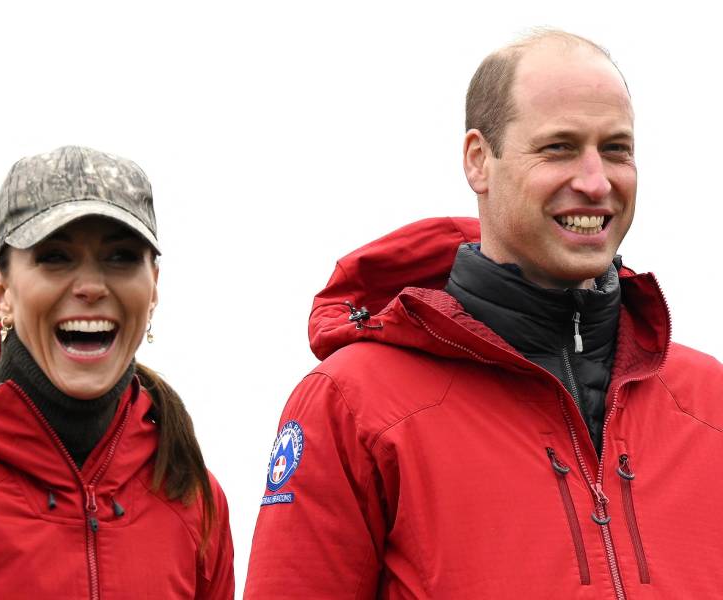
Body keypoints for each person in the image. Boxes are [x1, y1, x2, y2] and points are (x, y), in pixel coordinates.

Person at [245, 30, 723, 599]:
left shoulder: (709, 401)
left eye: (616, 148)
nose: (597, 182)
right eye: (559, 147)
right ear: (479, 161)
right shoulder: (353, 401)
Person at [0, 146, 234, 598]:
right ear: (1, 289)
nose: (90, 287)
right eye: (55, 257)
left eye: (121, 257)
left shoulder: (192, 493)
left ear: (154, 289)